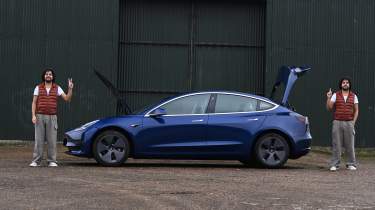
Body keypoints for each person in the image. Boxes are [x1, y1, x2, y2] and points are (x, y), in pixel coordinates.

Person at [29, 68, 74, 167]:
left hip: (52, 117)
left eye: (50, 74)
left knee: (52, 140)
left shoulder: (57, 88)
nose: (48, 75)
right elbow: (34, 102)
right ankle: (36, 161)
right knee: (39, 140)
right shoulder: (38, 87)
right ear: (44, 76)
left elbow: (67, 98)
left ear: (53, 77)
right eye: (46, 74)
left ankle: (52, 161)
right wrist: (33, 115)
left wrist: (70, 88)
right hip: (39, 116)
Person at [326, 77, 359, 171]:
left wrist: (353, 122)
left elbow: (357, 110)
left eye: (347, 82)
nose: (345, 84)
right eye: (343, 82)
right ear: (341, 85)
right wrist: (328, 97)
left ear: (349, 85)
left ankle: (351, 164)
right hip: (337, 122)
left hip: (349, 122)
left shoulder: (354, 96)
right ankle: (335, 164)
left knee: (350, 144)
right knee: (337, 144)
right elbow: (329, 108)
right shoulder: (335, 95)